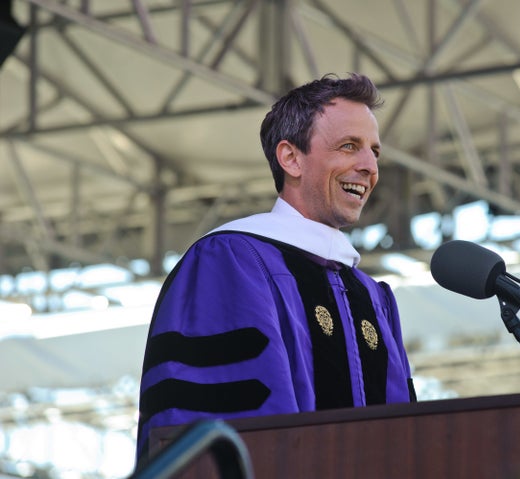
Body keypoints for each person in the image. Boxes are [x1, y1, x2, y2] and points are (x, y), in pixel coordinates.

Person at [135, 73, 416, 461]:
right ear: (291, 158)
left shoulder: (370, 295)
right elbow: (222, 419)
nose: (369, 166)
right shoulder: (229, 261)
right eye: (349, 146)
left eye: (375, 151)